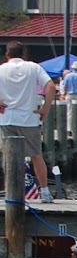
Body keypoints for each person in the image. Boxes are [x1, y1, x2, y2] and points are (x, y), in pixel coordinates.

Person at [0, 42, 58, 203]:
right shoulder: (33, 67)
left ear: (7, 55)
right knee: (36, 156)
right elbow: (51, 87)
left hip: (7, 118)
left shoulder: (1, 69)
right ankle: (45, 192)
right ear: (23, 54)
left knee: (9, 157)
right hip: (30, 118)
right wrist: (45, 109)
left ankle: (13, 191)